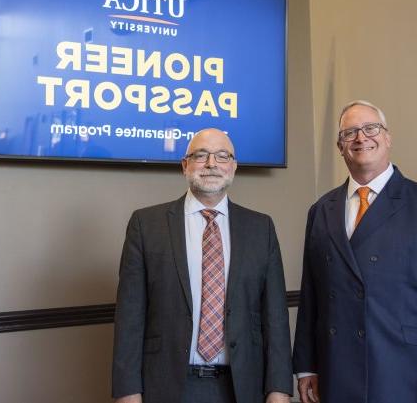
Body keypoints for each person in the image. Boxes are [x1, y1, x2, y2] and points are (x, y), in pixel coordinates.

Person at [293, 101, 417, 403]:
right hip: (336, 373)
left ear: (387, 137)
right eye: (349, 133)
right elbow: (312, 296)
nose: (361, 138)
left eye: (370, 128)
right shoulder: (321, 210)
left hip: (403, 375)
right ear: (340, 146)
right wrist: (306, 365)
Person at [112, 128, 292, 403]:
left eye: (222, 156)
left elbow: (275, 317)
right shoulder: (146, 225)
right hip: (168, 386)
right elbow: (130, 316)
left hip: (242, 386)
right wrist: (127, 392)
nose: (211, 164)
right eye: (201, 155)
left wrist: (279, 390)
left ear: (233, 167)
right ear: (185, 165)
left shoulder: (261, 228)